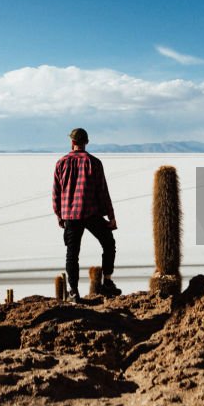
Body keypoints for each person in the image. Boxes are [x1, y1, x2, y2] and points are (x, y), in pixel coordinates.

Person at [53, 128, 120, 301]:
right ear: (86, 142)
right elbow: (103, 192)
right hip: (90, 213)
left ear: (72, 142)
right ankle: (107, 282)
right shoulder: (94, 163)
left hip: (70, 216)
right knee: (108, 243)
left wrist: (60, 216)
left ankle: (73, 291)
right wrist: (111, 217)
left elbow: (56, 193)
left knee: (72, 253)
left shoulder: (61, 163)